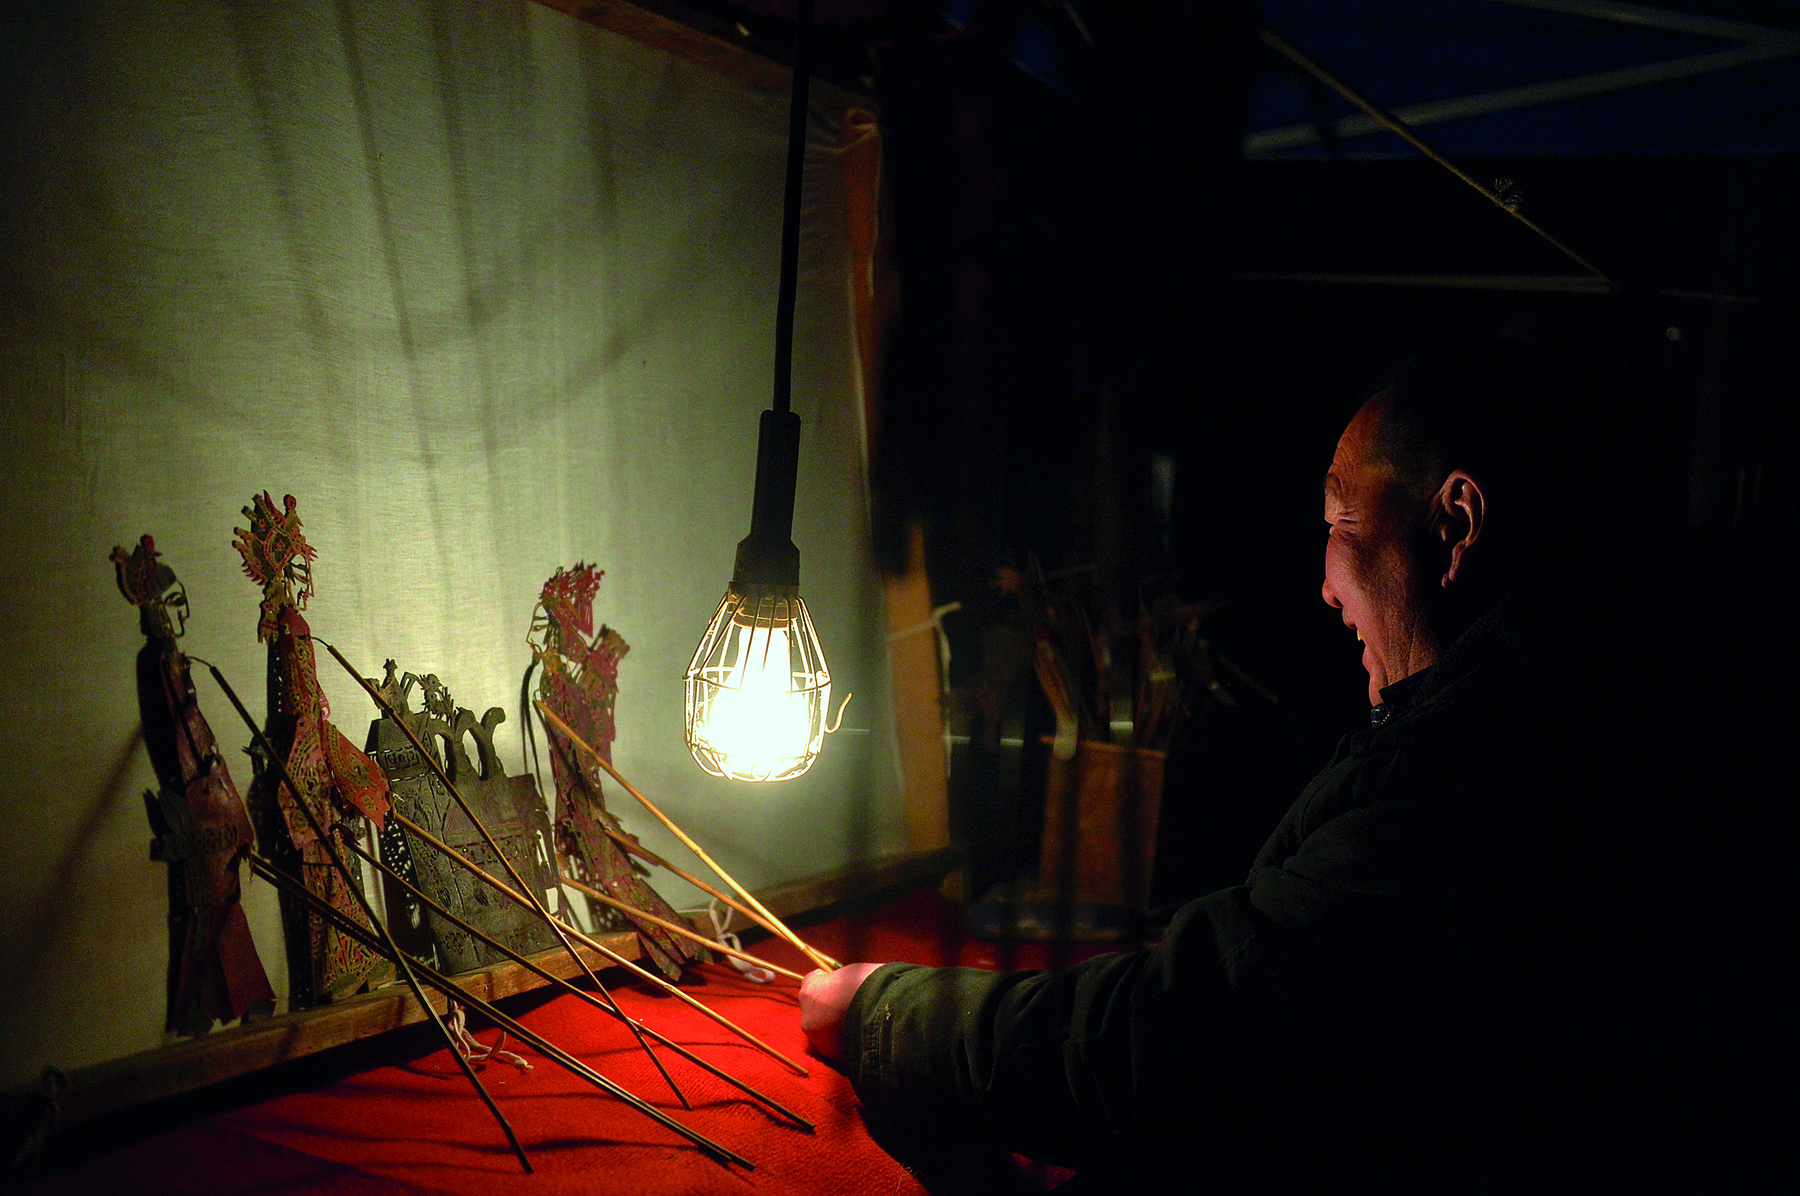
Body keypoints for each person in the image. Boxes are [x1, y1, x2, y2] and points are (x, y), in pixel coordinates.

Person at [799, 339, 1791, 1191]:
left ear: (1455, 527)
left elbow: (1201, 1034)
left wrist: (892, 1014)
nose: (1324, 584)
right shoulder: (1603, 689)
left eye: (1340, 523)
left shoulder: (1512, 760)